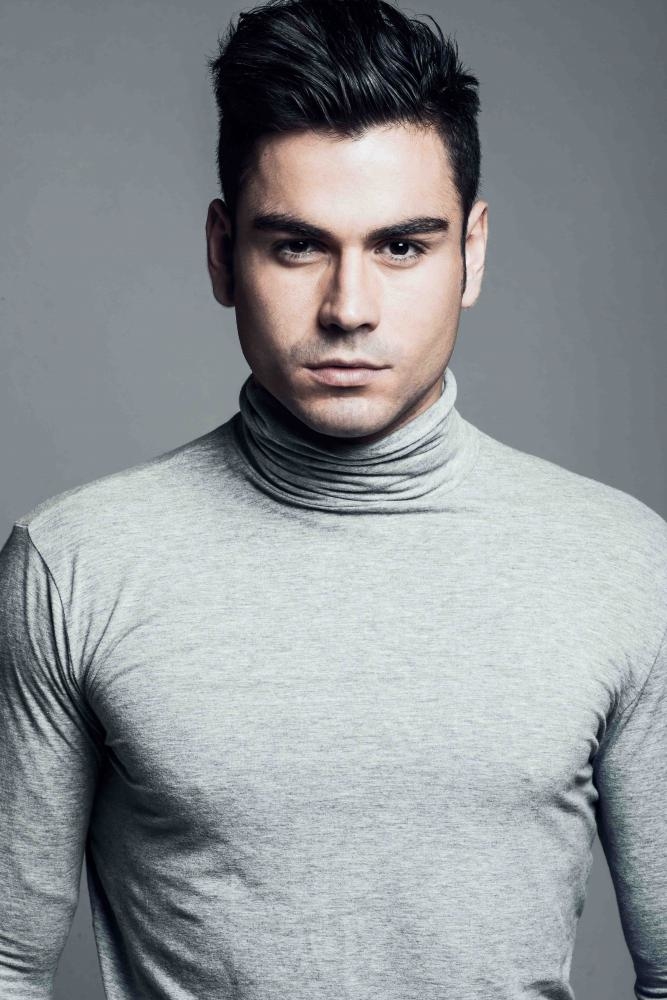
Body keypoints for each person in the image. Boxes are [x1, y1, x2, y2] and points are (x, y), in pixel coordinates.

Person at [0, 0, 665, 996]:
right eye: (297, 246)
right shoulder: (75, 565)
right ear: (222, 253)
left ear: (472, 253)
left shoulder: (622, 563)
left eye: (401, 246)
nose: (349, 309)